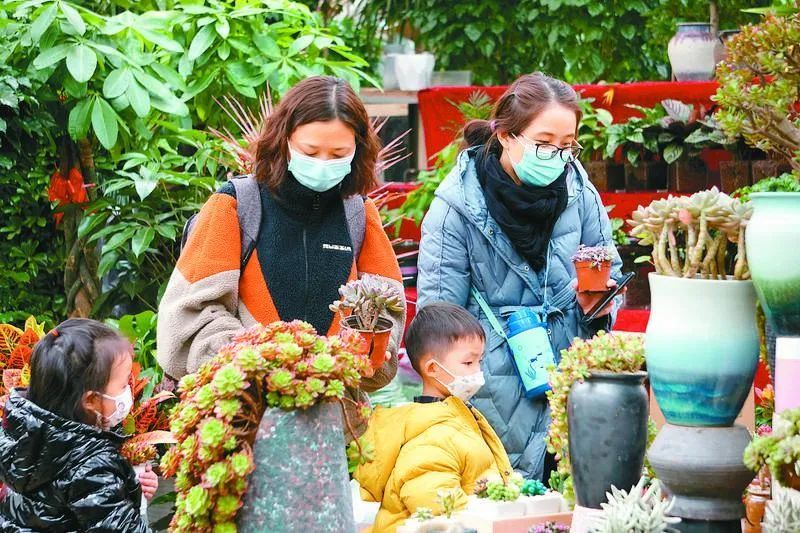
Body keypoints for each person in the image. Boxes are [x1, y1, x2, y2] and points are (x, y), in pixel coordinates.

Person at [157, 76, 405, 433]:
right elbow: (188, 315)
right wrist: (265, 361)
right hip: (238, 424)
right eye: (309, 151)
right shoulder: (234, 206)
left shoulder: (359, 216)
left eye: (338, 155)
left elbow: (388, 315)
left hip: (333, 431)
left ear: (358, 149)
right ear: (284, 139)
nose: (323, 163)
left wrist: (359, 351)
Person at [416, 72, 623, 481]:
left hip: (570, 381)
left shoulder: (580, 194)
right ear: (507, 135)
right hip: (491, 392)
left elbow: (608, 271)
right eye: (544, 143)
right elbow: (437, 318)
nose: (557, 157)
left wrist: (597, 306)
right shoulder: (455, 207)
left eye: (567, 146)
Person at [355, 303, 512, 532]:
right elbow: (435, 504)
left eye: (479, 361)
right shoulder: (431, 435)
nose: (477, 371)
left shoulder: (456, 416)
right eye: (468, 362)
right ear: (432, 368)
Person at [0, 319, 157, 531]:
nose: (128, 390)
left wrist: (131, 486)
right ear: (91, 401)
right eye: (122, 385)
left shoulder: (23, 437)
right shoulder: (91, 466)